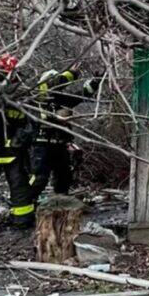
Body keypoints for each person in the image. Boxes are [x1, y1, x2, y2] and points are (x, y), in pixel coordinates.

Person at [28, 67, 100, 200]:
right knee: (39, 179)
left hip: (60, 145)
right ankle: (27, 206)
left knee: (64, 178)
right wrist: (72, 73)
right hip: (41, 146)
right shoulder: (37, 98)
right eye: (55, 82)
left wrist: (95, 82)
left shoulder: (62, 98)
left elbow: (84, 94)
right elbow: (50, 85)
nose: (58, 85)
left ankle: (60, 207)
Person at [0, 54, 35, 227]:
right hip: (3, 150)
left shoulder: (22, 95)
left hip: (7, 150)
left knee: (17, 185)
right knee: (18, 184)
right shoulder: (18, 94)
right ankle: (23, 220)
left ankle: (23, 219)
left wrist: (22, 139)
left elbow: (30, 123)